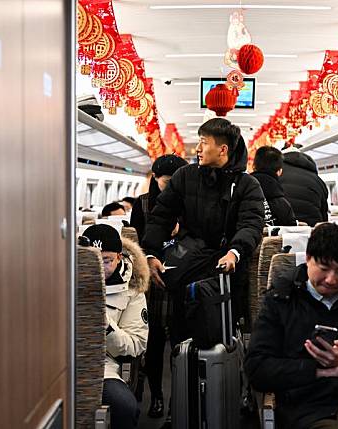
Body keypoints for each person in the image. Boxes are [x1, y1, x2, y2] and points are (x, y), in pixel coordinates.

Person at [142, 117, 265, 342]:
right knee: (182, 334)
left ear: (223, 149)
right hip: (188, 263)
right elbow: (161, 217)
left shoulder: (247, 185)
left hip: (225, 270)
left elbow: (251, 224)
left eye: (203, 142)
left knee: (220, 335)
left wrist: (235, 252)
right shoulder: (185, 176)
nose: (197, 149)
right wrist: (150, 254)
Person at [245, 223, 338, 429]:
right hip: (306, 408)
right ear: (308, 258)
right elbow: (257, 368)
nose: (330, 279)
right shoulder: (281, 300)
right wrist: (319, 371)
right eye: (324, 269)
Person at [129, 154, 188, 418]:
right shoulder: (142, 206)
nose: (173, 186)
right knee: (152, 343)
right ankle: (157, 397)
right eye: (167, 181)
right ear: (155, 179)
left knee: (180, 342)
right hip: (150, 281)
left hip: (180, 278)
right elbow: (133, 245)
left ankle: (179, 403)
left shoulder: (190, 204)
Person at [80, 224, 150, 429]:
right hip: (57, 362)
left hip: (102, 367)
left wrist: (105, 326)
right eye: (92, 262)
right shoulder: (62, 280)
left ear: (119, 257)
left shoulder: (132, 290)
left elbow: (136, 344)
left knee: (125, 407)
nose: (99, 268)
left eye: (106, 261)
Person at [280, 147, 329, 227]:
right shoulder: (318, 180)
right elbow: (324, 214)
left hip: (281, 230)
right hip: (311, 231)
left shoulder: (274, 175)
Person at [251, 146, 297, 226]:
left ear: (254, 166)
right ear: (279, 171)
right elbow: (291, 230)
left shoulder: (236, 189)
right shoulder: (282, 203)